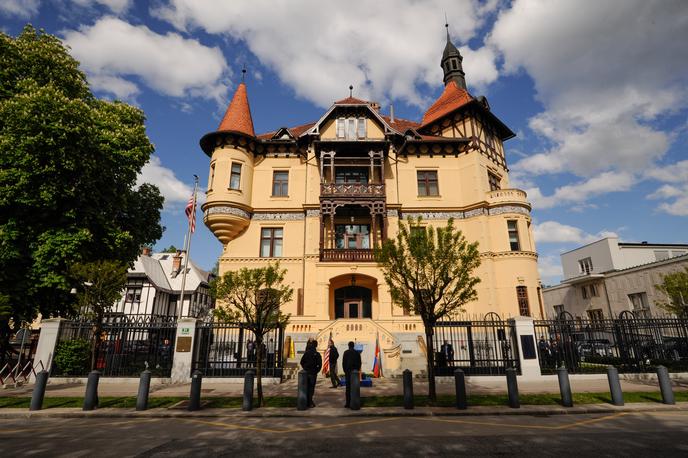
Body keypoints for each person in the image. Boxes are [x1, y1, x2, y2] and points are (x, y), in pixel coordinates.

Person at [300, 340, 322, 408]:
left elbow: (301, 362)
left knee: (306, 387)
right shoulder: (317, 354)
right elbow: (320, 364)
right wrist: (316, 371)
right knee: (311, 388)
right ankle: (309, 402)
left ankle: (307, 402)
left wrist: (305, 368)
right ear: (316, 345)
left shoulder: (306, 353)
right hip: (313, 373)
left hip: (307, 373)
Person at [342, 341, 361, 408]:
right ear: (353, 346)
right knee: (355, 388)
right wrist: (357, 370)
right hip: (355, 372)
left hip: (348, 372)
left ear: (348, 345)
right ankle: (355, 402)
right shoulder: (357, 353)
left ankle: (348, 403)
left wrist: (345, 371)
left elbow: (343, 363)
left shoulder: (346, 352)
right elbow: (359, 362)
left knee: (348, 388)